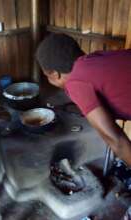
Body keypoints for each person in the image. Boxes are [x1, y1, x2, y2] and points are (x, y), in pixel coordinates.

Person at [36, 33, 131, 166]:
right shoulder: (96, 57)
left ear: (54, 74)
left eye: (47, 76)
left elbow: (116, 140)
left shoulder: (75, 82)